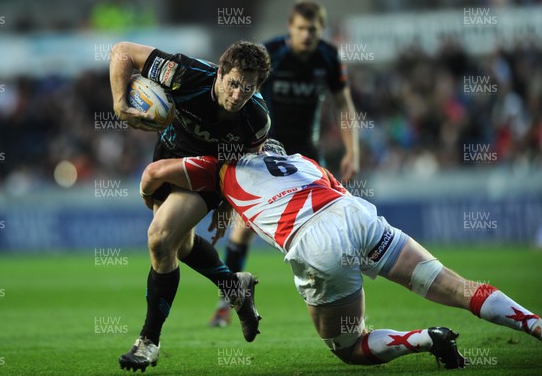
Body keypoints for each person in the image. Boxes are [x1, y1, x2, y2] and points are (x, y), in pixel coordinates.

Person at [139, 139, 541, 369]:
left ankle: (425, 339)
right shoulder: (301, 160)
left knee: (350, 347)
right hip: (354, 214)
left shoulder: (218, 164)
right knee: (456, 286)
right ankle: (534, 323)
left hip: (316, 242)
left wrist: (150, 202)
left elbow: (154, 174)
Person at [109, 40, 271, 372]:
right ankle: (233, 287)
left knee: (160, 239)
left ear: (258, 87)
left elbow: (244, 165)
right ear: (220, 73)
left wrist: (228, 204)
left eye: (248, 87)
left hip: (206, 174)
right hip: (169, 155)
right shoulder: (185, 74)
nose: (239, 93)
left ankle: (148, 341)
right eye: (234, 83)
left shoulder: (257, 120)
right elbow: (122, 50)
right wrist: (119, 104)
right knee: (179, 247)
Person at [211, 1, 360, 327]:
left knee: (327, 221)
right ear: (290, 28)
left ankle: (340, 299)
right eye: (301, 29)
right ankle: (228, 300)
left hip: (307, 152)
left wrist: (352, 151)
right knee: (244, 226)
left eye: (313, 30)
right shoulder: (273, 54)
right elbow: (245, 98)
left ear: (321, 30)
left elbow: (344, 104)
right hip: (267, 147)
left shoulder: (328, 57)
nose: (307, 35)